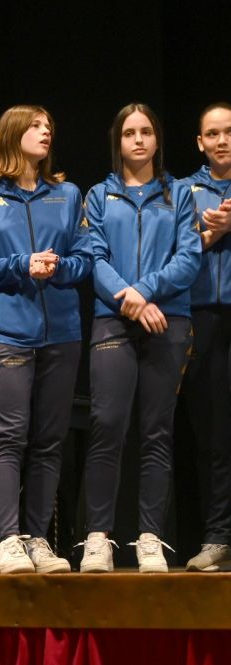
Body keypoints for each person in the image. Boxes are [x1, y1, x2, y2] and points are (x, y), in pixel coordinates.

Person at [81, 103, 201, 574]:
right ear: (118, 141)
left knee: (157, 430)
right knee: (107, 426)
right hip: (113, 318)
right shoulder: (98, 195)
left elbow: (188, 258)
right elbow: (93, 258)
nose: (138, 140)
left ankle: (150, 537)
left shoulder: (180, 194)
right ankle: (98, 538)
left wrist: (145, 291)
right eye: (129, 132)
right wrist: (128, 299)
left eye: (146, 131)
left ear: (156, 140)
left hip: (167, 319)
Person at [0, 106, 92, 574]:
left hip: (63, 333)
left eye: (49, 127)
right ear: (12, 134)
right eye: (36, 126)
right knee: (9, 436)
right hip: (8, 334)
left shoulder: (66, 194)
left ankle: (38, 538)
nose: (46, 133)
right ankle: (8, 540)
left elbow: (86, 258)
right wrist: (21, 264)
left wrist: (58, 267)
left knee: (49, 441)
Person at [181, 102, 231, 572]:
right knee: (213, 434)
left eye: (229, 131)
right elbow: (168, 254)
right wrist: (208, 235)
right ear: (200, 142)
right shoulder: (183, 192)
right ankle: (218, 536)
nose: (222, 140)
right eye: (212, 134)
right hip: (203, 318)